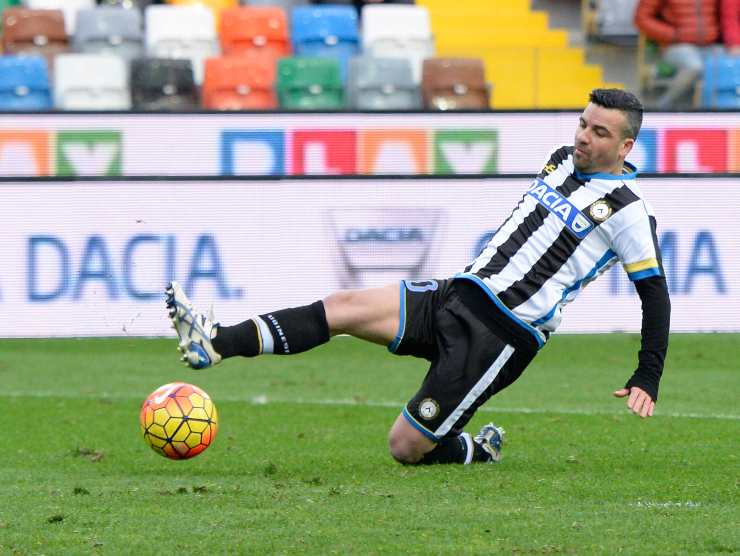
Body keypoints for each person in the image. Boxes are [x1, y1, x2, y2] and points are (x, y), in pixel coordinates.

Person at [166, 88, 671, 466]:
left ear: (626, 146)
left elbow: (655, 295)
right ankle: (216, 343)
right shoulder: (560, 160)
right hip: (458, 292)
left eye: (599, 132)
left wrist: (646, 374)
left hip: (499, 336)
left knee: (404, 448)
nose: (583, 136)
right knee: (344, 307)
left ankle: (475, 449)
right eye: (583, 124)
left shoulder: (629, 212)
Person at [635, 0, 723, 108]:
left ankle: (717, 112)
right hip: (676, 45)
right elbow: (642, 18)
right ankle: (662, 106)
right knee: (694, 66)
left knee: (730, 64)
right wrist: (673, 35)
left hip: (711, 45)